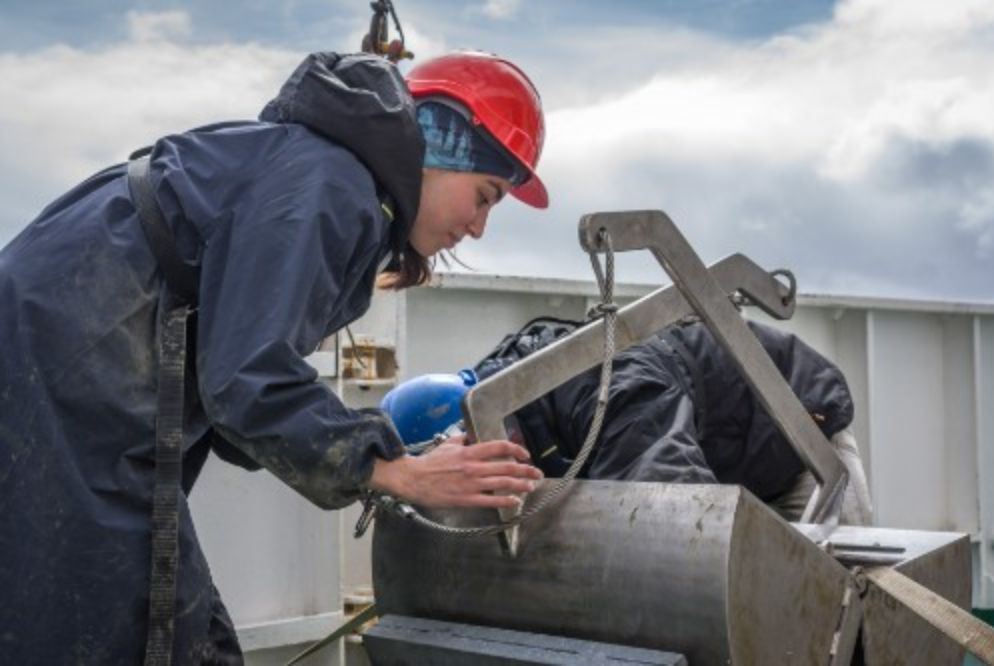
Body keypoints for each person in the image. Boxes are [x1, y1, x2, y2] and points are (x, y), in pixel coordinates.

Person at [0, 51, 545, 664]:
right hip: (66, 360)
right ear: (443, 147)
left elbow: (242, 406)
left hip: (67, 346)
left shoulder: (318, 172)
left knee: (164, 625)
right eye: (485, 196)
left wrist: (382, 455)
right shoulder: (330, 185)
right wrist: (396, 469)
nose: (478, 227)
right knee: (122, 625)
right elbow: (246, 381)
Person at [385, 316, 874, 525]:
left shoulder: (607, 391)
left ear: (471, 433)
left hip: (795, 437)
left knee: (833, 596)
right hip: (722, 447)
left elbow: (681, 507)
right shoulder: (515, 409)